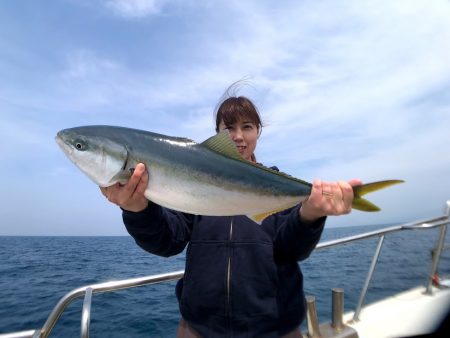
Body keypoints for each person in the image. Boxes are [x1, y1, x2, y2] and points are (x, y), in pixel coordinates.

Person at [100, 94, 361, 337]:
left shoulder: (279, 186)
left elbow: (290, 249)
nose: (238, 136)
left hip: (274, 328)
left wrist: (310, 214)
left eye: (247, 127)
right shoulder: (191, 183)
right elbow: (168, 241)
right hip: (200, 328)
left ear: (258, 132)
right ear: (217, 135)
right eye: (228, 129)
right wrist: (138, 211)